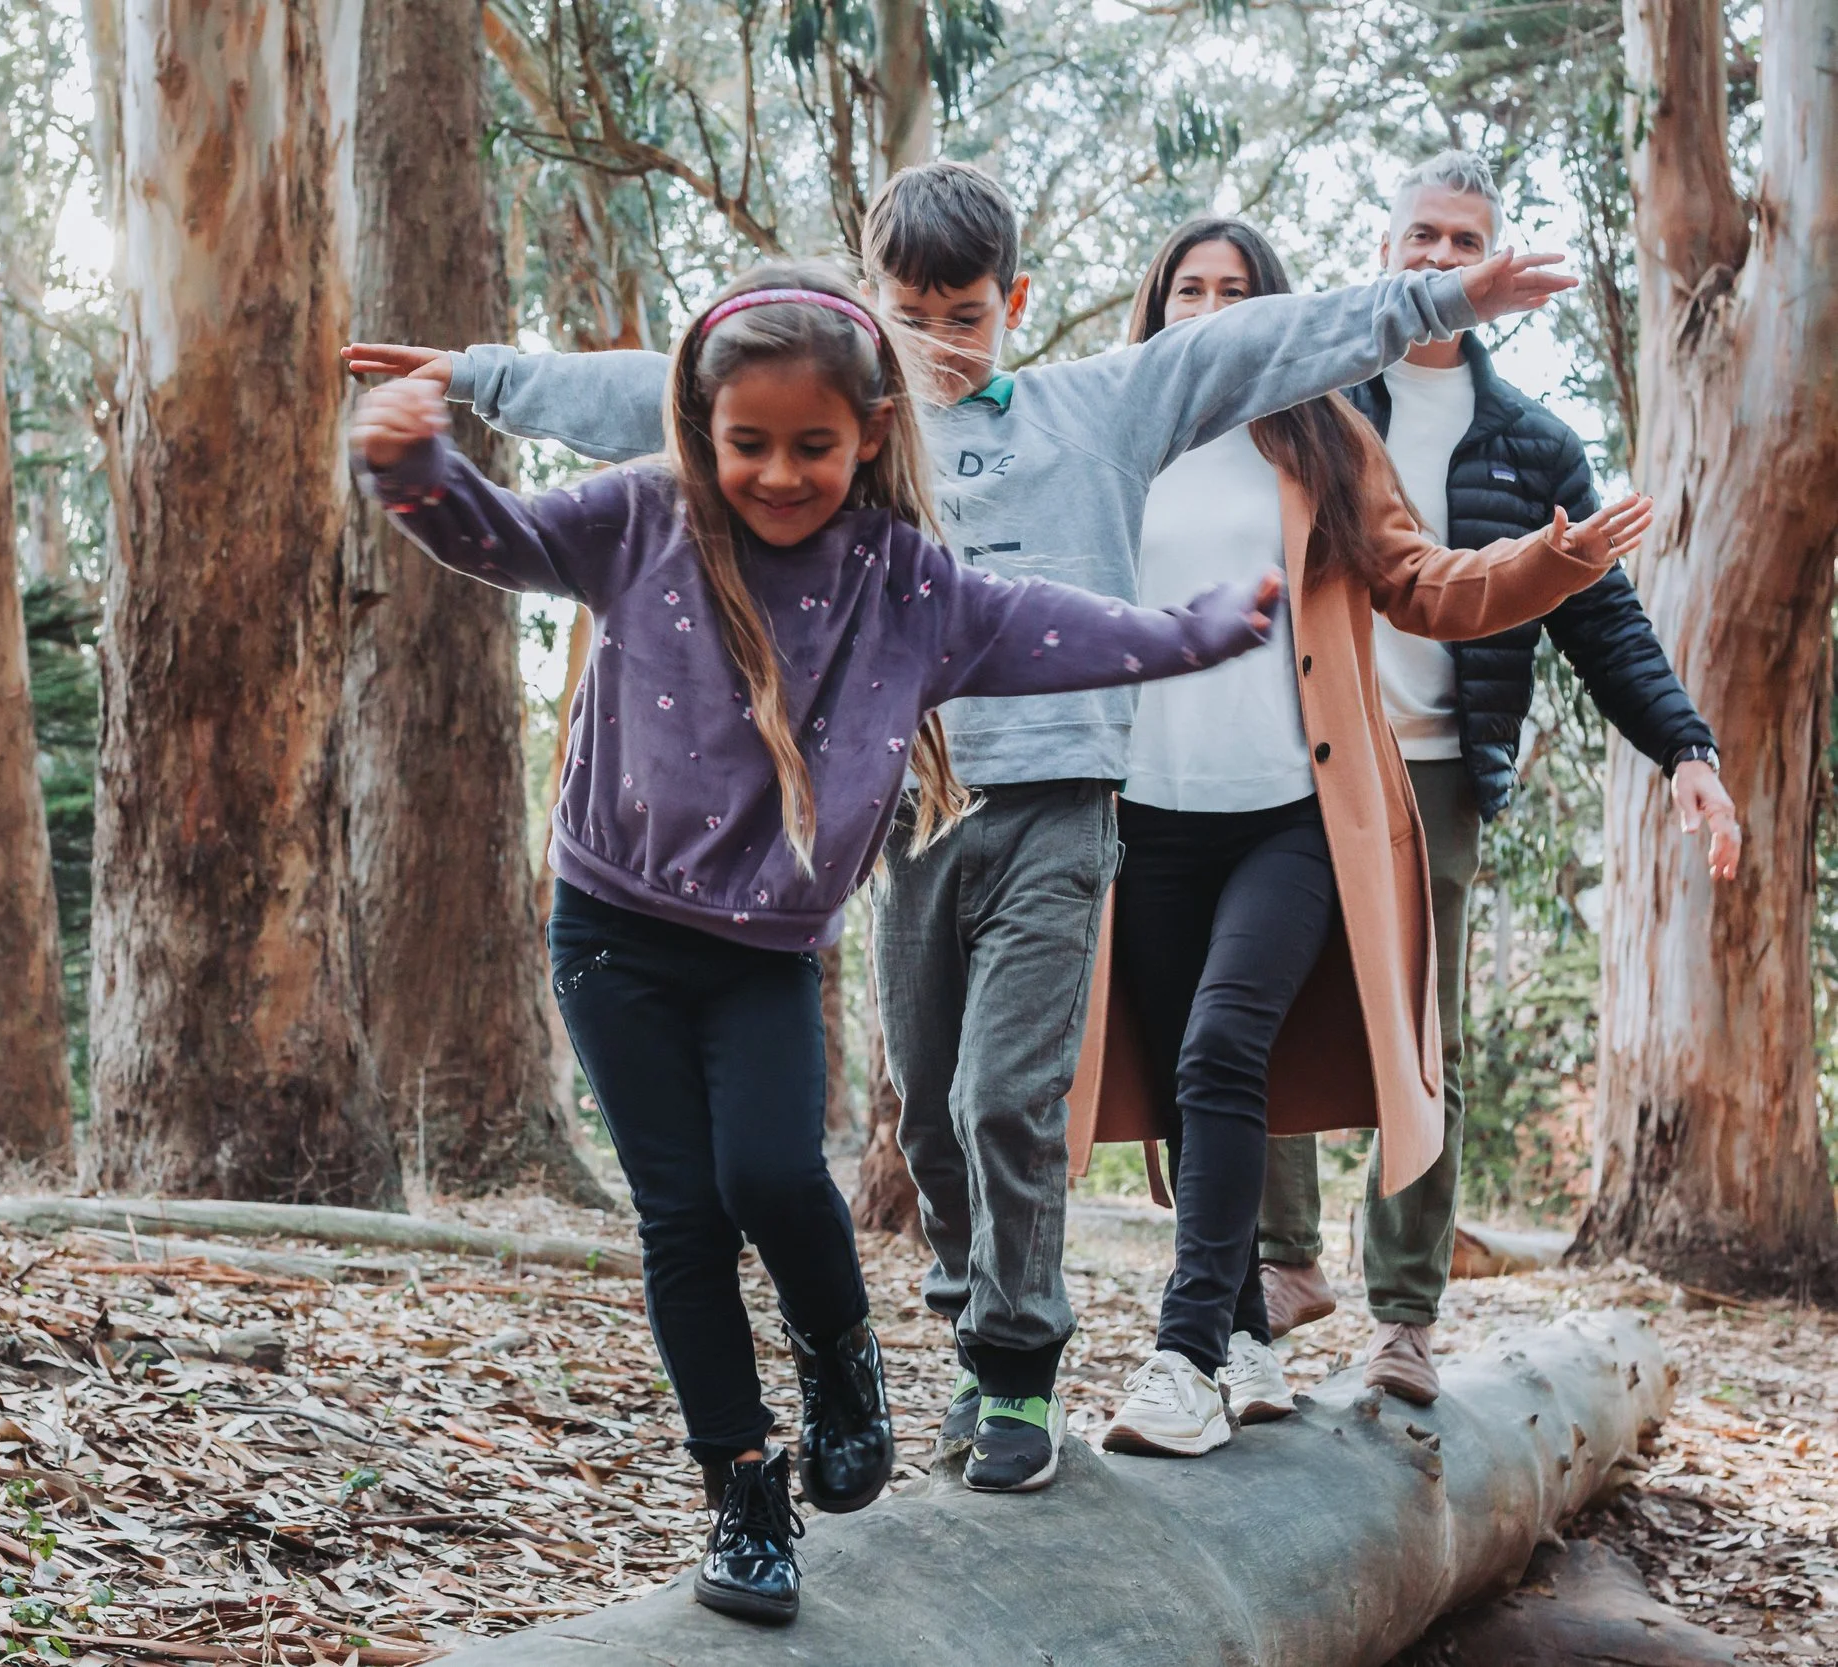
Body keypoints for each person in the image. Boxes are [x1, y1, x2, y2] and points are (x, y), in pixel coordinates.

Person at [343, 159, 1582, 1494]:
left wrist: (1439, 293)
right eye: (911, 318)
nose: (939, 348)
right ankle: (956, 1316)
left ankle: (1014, 1364)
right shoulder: (847, 440)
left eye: (967, 318)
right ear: (873, 317)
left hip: (1059, 803)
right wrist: (471, 376)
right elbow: (657, 388)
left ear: (1015, 303)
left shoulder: (1099, 407)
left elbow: (1263, 336)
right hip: (914, 812)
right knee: (930, 1110)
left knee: (1008, 1093)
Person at [348, 259, 1275, 1622]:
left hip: (766, 947)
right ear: (700, 427)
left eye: (814, 446)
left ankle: (842, 1352)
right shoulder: (647, 519)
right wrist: (415, 460)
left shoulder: (905, 583)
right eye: (748, 443)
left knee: (779, 1174)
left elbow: (1048, 625)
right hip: (612, 929)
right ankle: (743, 1490)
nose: (779, 474)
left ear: (873, 435)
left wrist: (1195, 633)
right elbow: (501, 537)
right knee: (681, 1218)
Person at [1060, 218, 1648, 1457]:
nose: (1208, 309)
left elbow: (1426, 585)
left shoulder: (1324, 436)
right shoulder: (1112, 433)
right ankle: (1245, 1337)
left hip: (1292, 815)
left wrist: (1555, 561)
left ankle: (1181, 1357)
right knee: (1182, 1084)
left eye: (1235, 290)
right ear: (1154, 307)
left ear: (1274, 314)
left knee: (1224, 1047)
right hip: (1146, 817)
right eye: (1186, 290)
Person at [1256, 151, 1741, 1407]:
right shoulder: (1307, 402)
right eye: (1418, 235)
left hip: (1435, 774)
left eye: (1460, 242)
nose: (1434, 259)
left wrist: (1687, 749)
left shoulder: (1530, 440)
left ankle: (1403, 1316)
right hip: (1301, 752)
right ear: (1382, 249)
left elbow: (1604, 619)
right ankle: (1277, 1262)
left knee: (1425, 1039)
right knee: (1253, 1000)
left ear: (1493, 267)